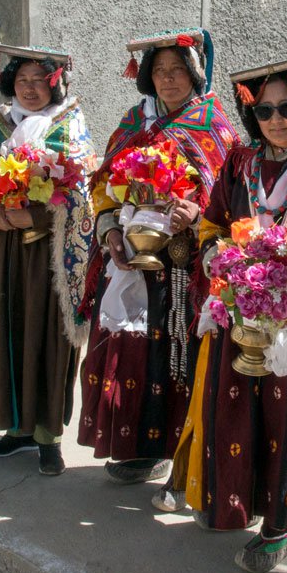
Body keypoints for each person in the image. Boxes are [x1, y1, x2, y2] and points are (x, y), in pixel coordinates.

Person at [172, 53, 287, 573]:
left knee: (285, 418)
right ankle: (230, 504)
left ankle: (279, 523)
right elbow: (212, 225)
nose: (276, 121)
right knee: (230, 406)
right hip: (237, 310)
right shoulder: (238, 165)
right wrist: (221, 260)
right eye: (264, 112)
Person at [77, 30, 239, 488]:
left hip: (181, 266)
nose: (168, 79)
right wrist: (109, 229)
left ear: (195, 73)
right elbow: (105, 182)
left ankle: (173, 447)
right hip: (129, 257)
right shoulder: (135, 122)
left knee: (175, 354)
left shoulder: (213, 126)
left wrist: (197, 213)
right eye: (160, 70)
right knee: (130, 350)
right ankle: (134, 447)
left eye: (178, 70)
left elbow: (226, 196)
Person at [0, 45, 96, 477]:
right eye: (22, 81)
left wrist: (39, 216)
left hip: (47, 256)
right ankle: (15, 428)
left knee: (45, 339)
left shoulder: (71, 126)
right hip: (1, 251)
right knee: (5, 331)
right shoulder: (1, 123)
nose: (30, 89)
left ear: (57, 83)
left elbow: (81, 194)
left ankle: (47, 436)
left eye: (40, 81)